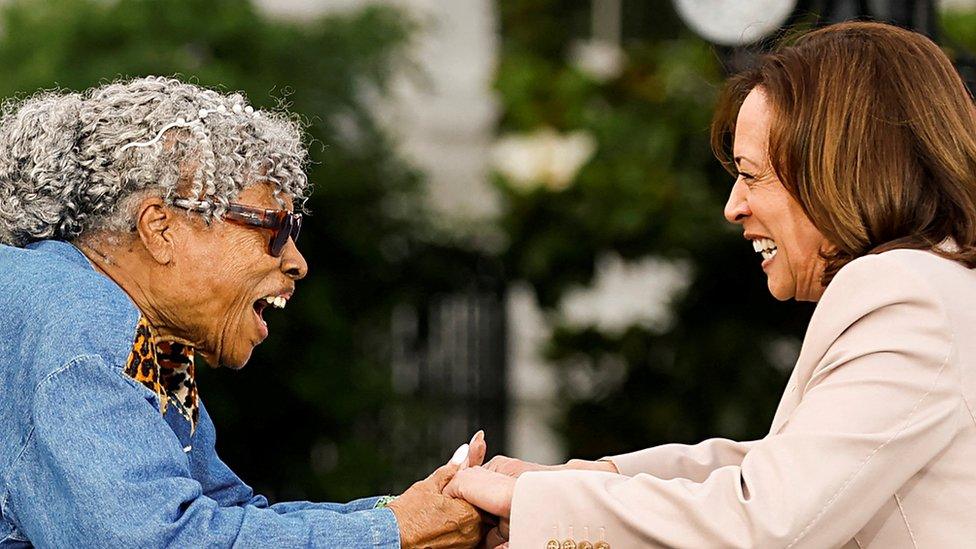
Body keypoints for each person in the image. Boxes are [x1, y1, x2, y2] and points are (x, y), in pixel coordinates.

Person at [446, 21, 976, 548]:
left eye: (750, 174)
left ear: (839, 168)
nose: (733, 207)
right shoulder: (940, 284)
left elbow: (766, 520)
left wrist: (536, 506)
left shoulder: (907, 295)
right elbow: (775, 469)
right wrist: (578, 482)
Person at [0, 76, 486, 548]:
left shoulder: (148, 342)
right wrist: (399, 532)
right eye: (274, 227)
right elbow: (159, 540)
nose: (296, 261)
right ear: (161, 228)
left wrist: (407, 514)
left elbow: (225, 517)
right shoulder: (83, 329)